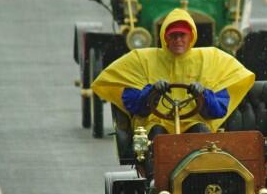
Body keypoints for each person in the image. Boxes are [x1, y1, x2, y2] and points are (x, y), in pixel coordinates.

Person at [92, 8, 254, 147]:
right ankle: (156, 179)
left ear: (191, 36)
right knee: (158, 136)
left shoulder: (211, 60)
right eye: (173, 36)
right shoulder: (141, 60)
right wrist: (152, 92)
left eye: (182, 35)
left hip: (194, 123)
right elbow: (134, 106)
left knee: (201, 133)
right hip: (155, 124)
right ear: (165, 37)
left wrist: (203, 94)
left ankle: (199, 176)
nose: (178, 40)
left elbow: (218, 111)